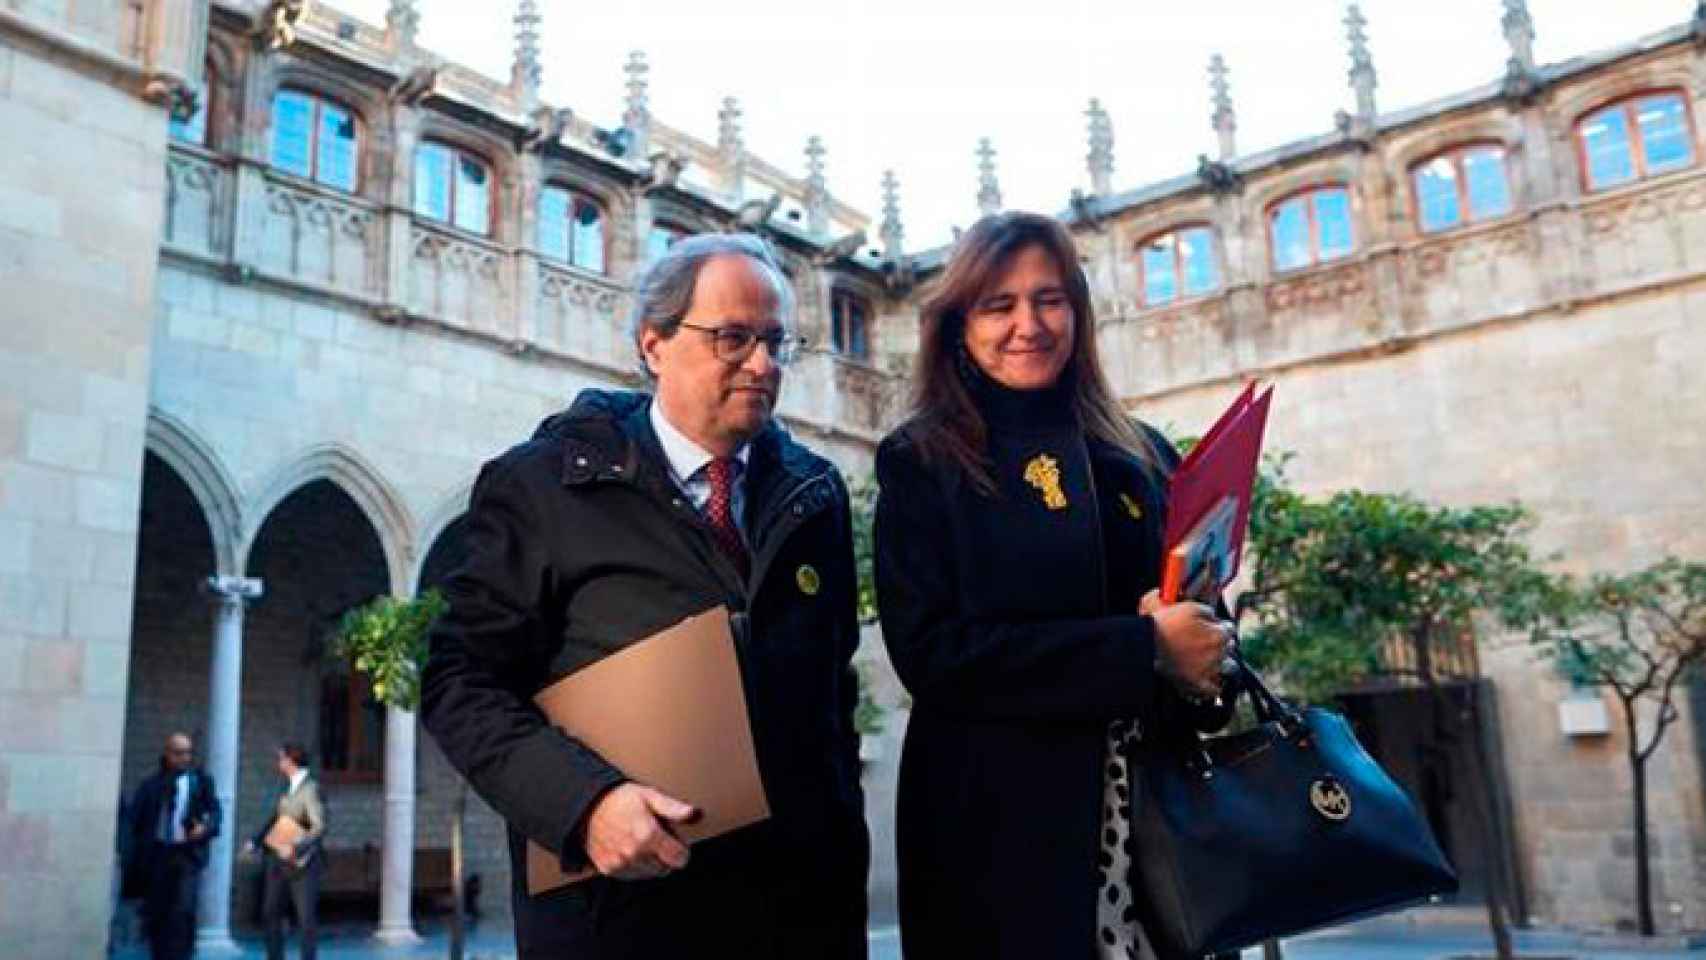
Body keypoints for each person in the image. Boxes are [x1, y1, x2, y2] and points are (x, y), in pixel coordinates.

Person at [421, 233, 869, 959]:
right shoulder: (543, 485)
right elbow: (458, 681)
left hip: (799, 923)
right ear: (654, 343)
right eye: (732, 338)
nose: (763, 365)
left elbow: (833, 701)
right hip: (621, 923)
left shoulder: (815, 497)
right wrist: (584, 805)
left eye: (776, 342)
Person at [873, 211, 1242, 959]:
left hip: (1160, 830)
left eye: (1049, 299)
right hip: (1000, 836)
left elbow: (1207, 643)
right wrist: (1142, 647)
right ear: (959, 326)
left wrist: (1204, 664)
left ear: (1077, 310)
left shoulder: (1145, 454)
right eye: (998, 305)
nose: (1028, 324)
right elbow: (933, 655)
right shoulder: (922, 461)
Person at [124, 732, 221, 960]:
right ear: (167, 754)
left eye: (188, 752)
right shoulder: (151, 785)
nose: (184, 758)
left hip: (186, 854)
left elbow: (215, 814)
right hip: (158, 855)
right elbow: (135, 823)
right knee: (158, 913)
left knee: (183, 910)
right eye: (179, 753)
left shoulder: (200, 782)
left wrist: (203, 829)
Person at [245, 743, 324, 960]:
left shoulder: (311, 788)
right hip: (276, 858)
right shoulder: (285, 786)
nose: (278, 763)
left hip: (302, 863)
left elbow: (318, 827)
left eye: (281, 759)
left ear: (291, 761)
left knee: (305, 918)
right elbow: (277, 818)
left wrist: (296, 848)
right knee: (270, 912)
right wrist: (256, 841)